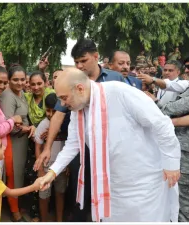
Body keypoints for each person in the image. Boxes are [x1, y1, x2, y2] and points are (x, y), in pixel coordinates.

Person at [39, 68, 181, 222]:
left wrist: (171, 163)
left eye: (64, 98)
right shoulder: (77, 110)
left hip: (143, 184)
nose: (62, 104)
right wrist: (52, 173)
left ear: (80, 89)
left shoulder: (120, 93)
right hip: (111, 185)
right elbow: (73, 144)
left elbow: (161, 125)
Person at [34, 39, 124, 222]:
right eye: (76, 62)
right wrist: (47, 148)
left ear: (96, 56)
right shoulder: (72, 97)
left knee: (112, 193)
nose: (80, 65)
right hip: (83, 149)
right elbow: (60, 116)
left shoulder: (115, 82)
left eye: (83, 60)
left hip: (113, 151)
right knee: (80, 190)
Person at [154, 51, 189, 222]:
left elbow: (176, 107)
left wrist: (154, 106)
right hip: (185, 148)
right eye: (186, 67)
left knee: (184, 203)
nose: (187, 70)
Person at [0, 64, 35, 222]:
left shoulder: (21, 94)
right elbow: (8, 124)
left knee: (19, 175)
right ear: (9, 80)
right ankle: (15, 213)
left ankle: (17, 205)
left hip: (21, 142)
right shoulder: (7, 96)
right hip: (12, 142)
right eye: (15, 80)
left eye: (22, 79)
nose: (20, 83)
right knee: (13, 176)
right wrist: (27, 129)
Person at [23, 70, 55, 222]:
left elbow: (60, 115)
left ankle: (49, 210)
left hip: (51, 143)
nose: (36, 87)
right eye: (33, 84)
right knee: (34, 175)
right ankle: (35, 212)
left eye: (39, 83)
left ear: (46, 83)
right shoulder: (26, 97)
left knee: (53, 177)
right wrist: (30, 126)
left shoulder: (52, 96)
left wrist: (52, 131)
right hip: (32, 141)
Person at [35, 93, 67, 222]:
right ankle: (44, 220)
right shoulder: (43, 125)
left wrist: (67, 165)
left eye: (53, 111)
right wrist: (40, 168)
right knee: (44, 196)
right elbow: (38, 147)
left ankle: (59, 220)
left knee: (60, 193)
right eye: (47, 110)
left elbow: (68, 145)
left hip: (61, 166)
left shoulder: (65, 125)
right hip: (46, 166)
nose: (50, 114)